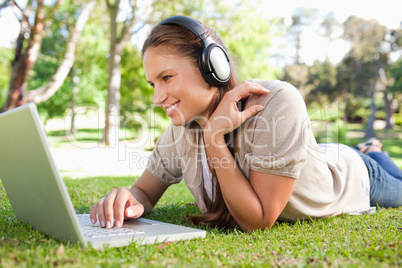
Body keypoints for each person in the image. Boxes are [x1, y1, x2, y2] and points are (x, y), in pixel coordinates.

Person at [90, 16, 402, 231]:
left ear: (213, 67)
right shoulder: (179, 133)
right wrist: (128, 199)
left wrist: (214, 138)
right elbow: (144, 192)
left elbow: (258, 220)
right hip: (316, 157)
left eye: (166, 78)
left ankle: (373, 152)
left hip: (355, 175)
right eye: (152, 84)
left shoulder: (277, 101)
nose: (157, 98)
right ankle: (370, 148)